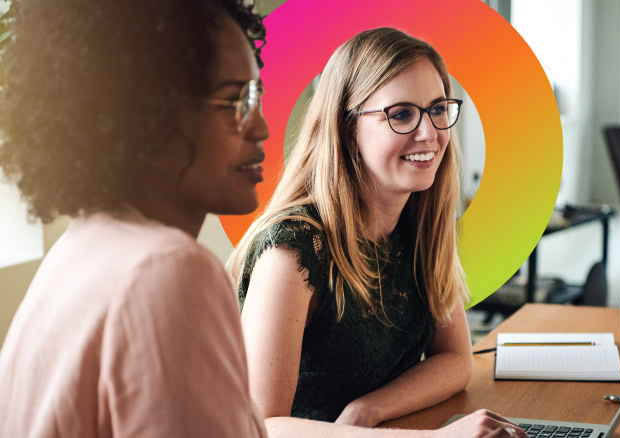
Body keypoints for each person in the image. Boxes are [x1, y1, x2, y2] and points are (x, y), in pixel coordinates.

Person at [0, 1, 524, 437]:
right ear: (150, 114)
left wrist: (372, 413)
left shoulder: (83, 243)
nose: (261, 125)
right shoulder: (169, 267)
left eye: (253, 97)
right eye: (233, 101)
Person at [229, 27, 489, 429]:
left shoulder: (420, 221)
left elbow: (455, 360)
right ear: (348, 131)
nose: (429, 133)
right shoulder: (293, 248)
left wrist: (366, 410)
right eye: (401, 114)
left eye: (438, 109)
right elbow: (260, 427)